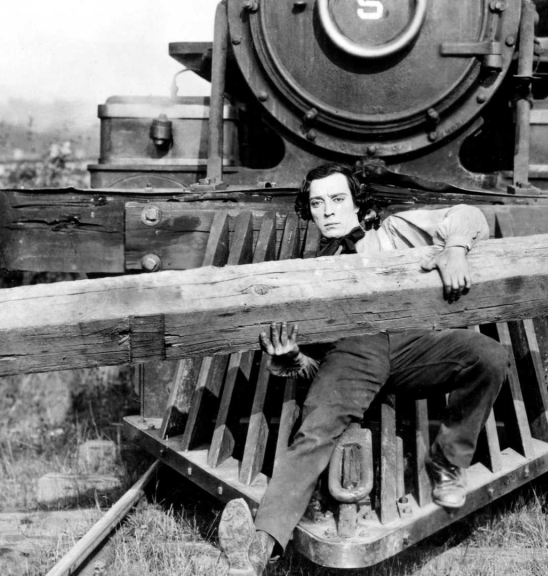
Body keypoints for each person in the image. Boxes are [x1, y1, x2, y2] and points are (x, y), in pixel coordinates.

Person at [218, 163, 509, 576]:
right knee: (316, 431)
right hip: (352, 357)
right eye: (318, 203)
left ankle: (447, 462)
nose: (328, 211)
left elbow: (468, 215)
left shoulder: (393, 233)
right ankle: (258, 551)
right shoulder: (312, 273)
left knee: (489, 356)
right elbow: (313, 366)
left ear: (358, 203)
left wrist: (456, 248)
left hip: (412, 346)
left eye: (338, 200)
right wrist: (292, 360)